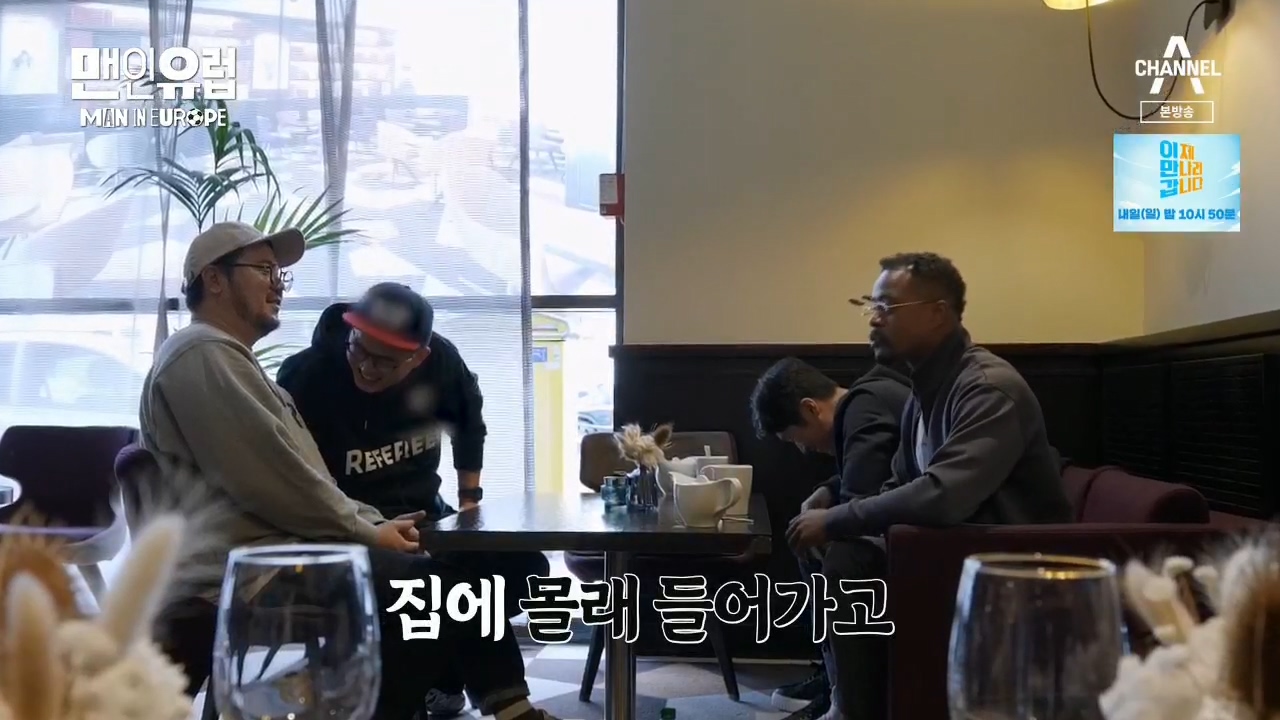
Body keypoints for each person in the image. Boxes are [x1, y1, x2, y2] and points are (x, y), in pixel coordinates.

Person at [138, 221, 557, 720]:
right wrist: (368, 530)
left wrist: (377, 524)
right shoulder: (201, 354)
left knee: (480, 573)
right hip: (254, 568)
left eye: (280, 274)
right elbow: (277, 484)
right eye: (265, 270)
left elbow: (302, 479)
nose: (278, 285)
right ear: (213, 279)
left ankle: (487, 701)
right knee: (439, 590)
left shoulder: (229, 360)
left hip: (295, 547)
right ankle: (478, 703)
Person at [783, 252, 1073, 720]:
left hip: (1006, 563)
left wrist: (837, 520)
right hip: (946, 549)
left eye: (887, 307)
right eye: (870, 306)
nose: (873, 319)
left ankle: (857, 710)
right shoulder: (925, 389)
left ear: (938, 313)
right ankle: (842, 697)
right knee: (823, 543)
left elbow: (942, 495)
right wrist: (832, 499)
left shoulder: (986, 387)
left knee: (850, 557)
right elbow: (899, 481)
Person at [276, 282, 550, 718]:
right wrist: (369, 529)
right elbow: (292, 479)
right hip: (350, 527)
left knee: (523, 568)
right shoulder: (306, 377)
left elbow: (469, 424)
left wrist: (468, 505)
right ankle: (503, 704)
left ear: (418, 357)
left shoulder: (440, 362)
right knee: (441, 586)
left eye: (385, 361)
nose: (367, 367)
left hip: (426, 517)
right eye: (358, 350)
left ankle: (443, 677)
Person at [749, 357, 910, 718]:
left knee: (831, 550)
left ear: (811, 408)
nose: (803, 449)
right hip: (912, 530)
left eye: (796, 437)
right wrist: (828, 489)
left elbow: (864, 503)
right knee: (812, 534)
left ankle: (848, 699)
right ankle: (837, 680)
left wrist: (828, 519)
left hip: (930, 540)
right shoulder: (869, 400)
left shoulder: (864, 410)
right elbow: (882, 475)